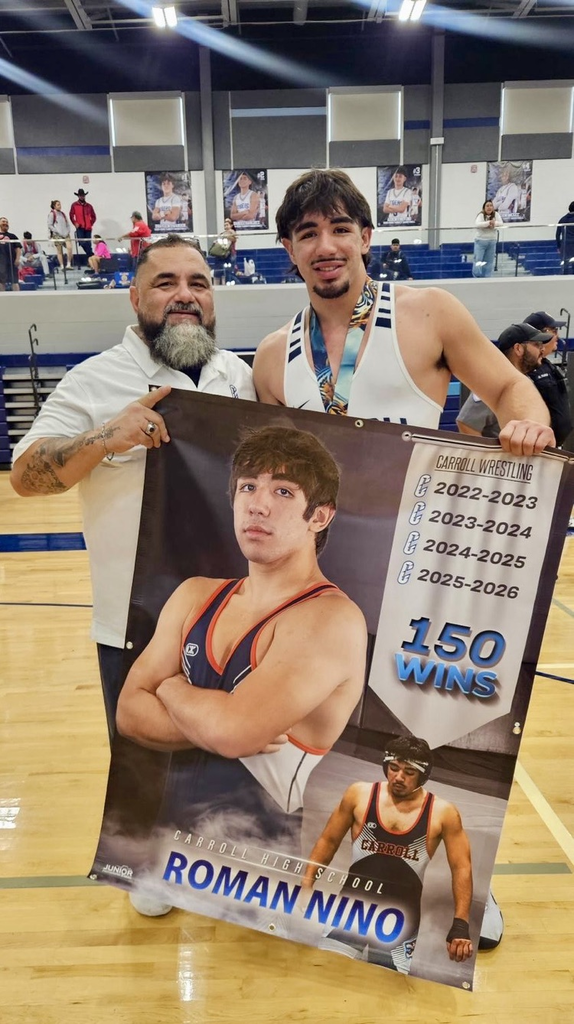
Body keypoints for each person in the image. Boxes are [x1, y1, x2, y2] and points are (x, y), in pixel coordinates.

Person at [10, 235, 256, 744]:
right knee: (142, 798)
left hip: (233, 624)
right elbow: (24, 476)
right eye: (165, 283)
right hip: (134, 631)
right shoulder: (92, 381)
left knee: (229, 797)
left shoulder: (239, 376)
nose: (185, 295)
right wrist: (104, 437)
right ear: (135, 297)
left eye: (199, 284)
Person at [116, 425, 367, 853]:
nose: (258, 505)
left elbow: (234, 733)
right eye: (249, 486)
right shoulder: (196, 594)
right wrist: (218, 723)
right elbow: (128, 713)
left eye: (283, 492)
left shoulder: (332, 619)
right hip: (170, 842)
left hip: (263, 857)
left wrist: (170, 686)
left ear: (320, 516)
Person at [253, 168, 555, 456]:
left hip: (416, 508)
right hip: (324, 512)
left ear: (365, 238)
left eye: (341, 229)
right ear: (289, 249)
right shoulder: (272, 356)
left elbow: (508, 386)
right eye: (308, 235)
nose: (326, 247)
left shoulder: (430, 313)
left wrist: (529, 424)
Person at [301, 736, 475, 972]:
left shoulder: (443, 812)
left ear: (423, 776)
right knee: (324, 975)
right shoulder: (359, 795)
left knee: (385, 996)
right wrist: (307, 884)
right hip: (351, 912)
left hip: (400, 923)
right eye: (393, 768)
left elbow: (462, 867)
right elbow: (328, 840)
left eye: (409, 772)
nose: (398, 777)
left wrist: (461, 923)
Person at [456, 322, 551, 438]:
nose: (542, 350)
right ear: (518, 349)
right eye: (536, 345)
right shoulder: (494, 383)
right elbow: (466, 424)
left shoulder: (523, 381)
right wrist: (488, 455)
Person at [524, 311, 572, 447]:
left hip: (554, 445)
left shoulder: (546, 364)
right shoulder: (527, 368)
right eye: (554, 331)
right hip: (537, 447)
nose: (558, 336)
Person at [472, 200, 503, 278]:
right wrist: (488, 223)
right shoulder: (481, 215)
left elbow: (501, 223)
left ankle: (487, 277)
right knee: (478, 260)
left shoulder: (496, 214)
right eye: (487, 206)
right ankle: (477, 276)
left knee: (489, 261)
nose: (489, 207)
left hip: (492, 241)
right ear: (484, 208)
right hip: (481, 241)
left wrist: (494, 223)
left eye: (491, 205)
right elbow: (477, 224)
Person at [69, 188, 96, 258]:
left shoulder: (89, 206)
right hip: (80, 227)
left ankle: (90, 259)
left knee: (88, 243)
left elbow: (94, 216)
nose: (82, 197)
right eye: (80, 196)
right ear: (78, 196)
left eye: (83, 195)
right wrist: (75, 223)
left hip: (88, 228)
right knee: (82, 242)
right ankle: (92, 256)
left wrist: (90, 223)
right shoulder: (74, 205)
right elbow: (71, 215)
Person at [209, 217, 237, 284]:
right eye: (225, 225)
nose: (226, 227)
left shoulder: (232, 233)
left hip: (228, 256)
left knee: (226, 274)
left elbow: (233, 239)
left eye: (227, 225)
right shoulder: (222, 234)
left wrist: (225, 236)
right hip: (220, 256)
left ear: (231, 225)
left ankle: (225, 286)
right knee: (218, 274)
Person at [47, 200, 73, 270]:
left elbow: (67, 224)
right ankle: (61, 265)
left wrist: (67, 231)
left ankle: (68, 264)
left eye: (60, 204)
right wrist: (57, 231)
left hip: (66, 234)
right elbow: (50, 225)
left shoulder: (63, 214)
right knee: (59, 251)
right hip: (57, 235)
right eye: (58, 205)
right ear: (54, 206)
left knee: (69, 247)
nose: (60, 206)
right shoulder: (52, 214)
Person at [0, 216, 21, 292]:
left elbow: (18, 248)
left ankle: (18, 298)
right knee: (1, 281)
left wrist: (17, 259)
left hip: (11, 262)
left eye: (6, 222)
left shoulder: (12, 236)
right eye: (3, 221)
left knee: (14, 281)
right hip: (1, 263)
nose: (5, 223)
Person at [556, 200, 574, 275]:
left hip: (565, 245)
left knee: (565, 264)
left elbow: (557, 234)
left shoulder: (562, 219)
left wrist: (559, 246)